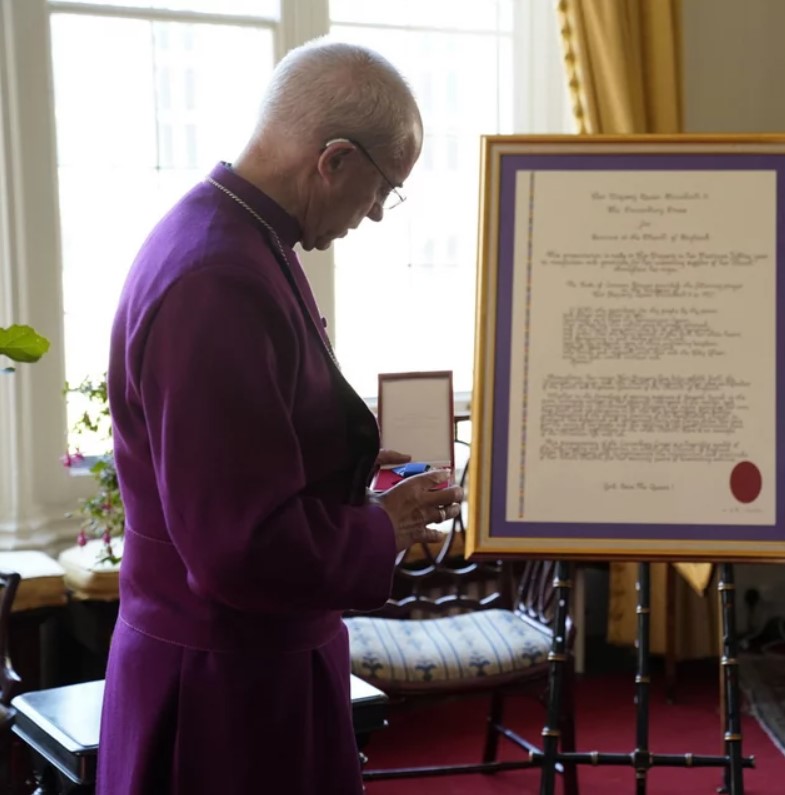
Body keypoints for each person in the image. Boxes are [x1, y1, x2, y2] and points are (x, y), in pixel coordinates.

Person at [97, 40, 462, 795]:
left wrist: (356, 464)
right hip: (224, 690)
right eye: (381, 188)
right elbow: (237, 547)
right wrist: (379, 528)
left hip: (248, 661)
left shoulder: (240, 234)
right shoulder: (215, 278)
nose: (374, 211)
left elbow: (256, 441)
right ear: (333, 159)